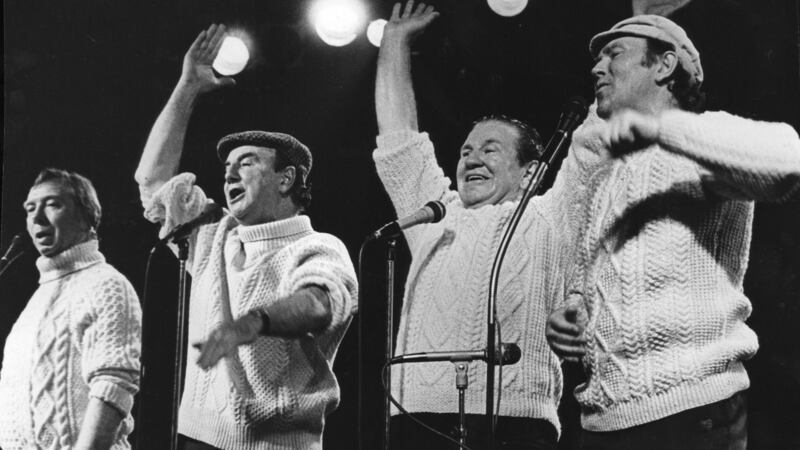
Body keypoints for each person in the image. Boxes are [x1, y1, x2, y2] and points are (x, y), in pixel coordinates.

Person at [544, 15, 800, 450]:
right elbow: (603, 282)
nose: (596, 67)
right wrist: (571, 310)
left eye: (614, 53)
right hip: (602, 421)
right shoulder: (605, 180)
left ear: (664, 66)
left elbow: (787, 159)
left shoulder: (698, 142)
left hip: (692, 412)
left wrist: (661, 128)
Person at [134, 24, 358, 450]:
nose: (229, 173)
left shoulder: (319, 247)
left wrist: (252, 322)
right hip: (194, 438)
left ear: (286, 178)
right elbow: (152, 180)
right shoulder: (214, 235)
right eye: (227, 167)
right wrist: (187, 87)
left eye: (247, 163)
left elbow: (318, 303)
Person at [374, 2, 577, 448]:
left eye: (490, 149)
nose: (471, 158)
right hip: (418, 417)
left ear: (532, 173)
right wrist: (394, 41)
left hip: (515, 423)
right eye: (466, 150)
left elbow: (593, 151)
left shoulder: (549, 216)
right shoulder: (434, 215)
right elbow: (398, 139)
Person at [0, 168, 142, 450]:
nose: (37, 218)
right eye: (30, 209)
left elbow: (113, 385)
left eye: (53, 204)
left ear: (87, 216)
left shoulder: (106, 284)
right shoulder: (40, 296)